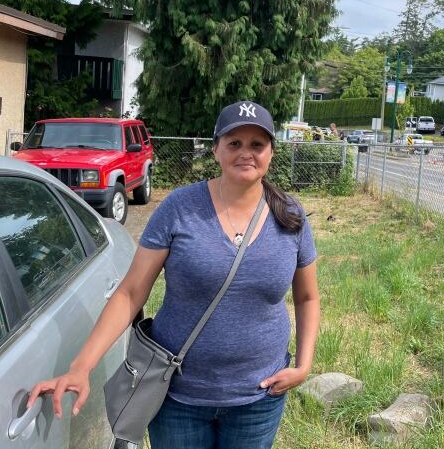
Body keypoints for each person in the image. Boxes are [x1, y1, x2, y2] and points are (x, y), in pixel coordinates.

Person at [28, 100, 320, 449]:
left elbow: (307, 297)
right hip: (177, 395)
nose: (246, 153)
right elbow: (131, 292)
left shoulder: (289, 216)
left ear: (271, 152)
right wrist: (82, 366)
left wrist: (304, 365)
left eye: (257, 145)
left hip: (258, 396)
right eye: (234, 143)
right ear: (216, 150)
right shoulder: (179, 209)